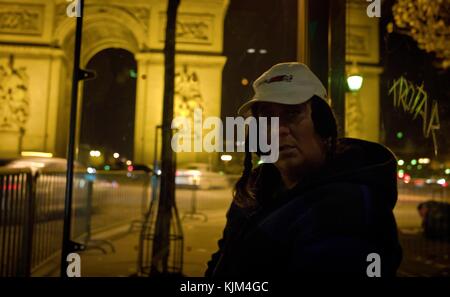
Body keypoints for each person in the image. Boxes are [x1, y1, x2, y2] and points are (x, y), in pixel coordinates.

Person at [205, 62, 402, 277]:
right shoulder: (251, 191)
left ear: (323, 124)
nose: (278, 130)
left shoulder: (348, 208)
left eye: (292, 114)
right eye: (268, 118)